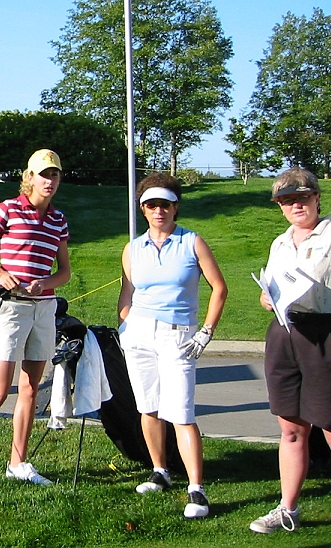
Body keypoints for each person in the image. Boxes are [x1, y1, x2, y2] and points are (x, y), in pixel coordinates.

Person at [0, 149, 72, 505]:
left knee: (30, 390)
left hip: (44, 307)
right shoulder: (9, 208)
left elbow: (64, 271)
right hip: (12, 308)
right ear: (30, 177)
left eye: (54, 175)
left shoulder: (59, 220)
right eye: (43, 175)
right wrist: (1, 274)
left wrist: (47, 282)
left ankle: (18, 462)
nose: (49, 181)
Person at [117, 172, 227, 520]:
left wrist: (206, 331)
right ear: (143, 209)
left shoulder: (192, 242)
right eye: (151, 205)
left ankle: (196, 487)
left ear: (175, 207)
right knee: (148, 407)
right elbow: (127, 293)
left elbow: (219, 288)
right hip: (139, 334)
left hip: (179, 334)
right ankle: (159, 470)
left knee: (181, 412)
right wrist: (126, 324)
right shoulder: (133, 248)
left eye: (165, 204)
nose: (158, 210)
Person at [248, 167, 331, 542]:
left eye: (302, 198)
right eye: (287, 201)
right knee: (290, 428)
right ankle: (288, 509)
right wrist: (266, 297)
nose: (295, 205)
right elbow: (268, 290)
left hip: (330, 333)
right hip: (286, 334)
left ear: (317, 198)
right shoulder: (280, 242)